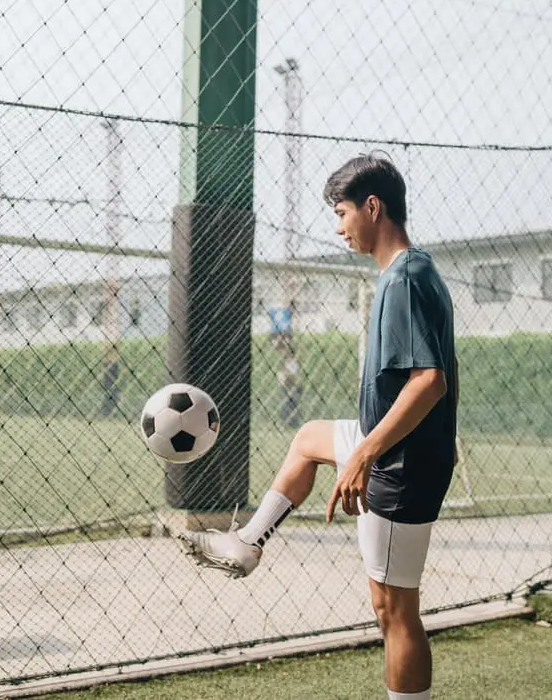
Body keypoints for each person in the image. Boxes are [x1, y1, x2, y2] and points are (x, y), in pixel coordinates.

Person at [177, 152, 457, 700]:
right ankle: (249, 542)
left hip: (401, 463)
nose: (338, 227)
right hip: (389, 445)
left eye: (342, 213)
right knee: (308, 439)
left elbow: (430, 382)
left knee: (395, 609)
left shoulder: (405, 279)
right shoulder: (409, 272)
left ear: (372, 207)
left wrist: (363, 455)